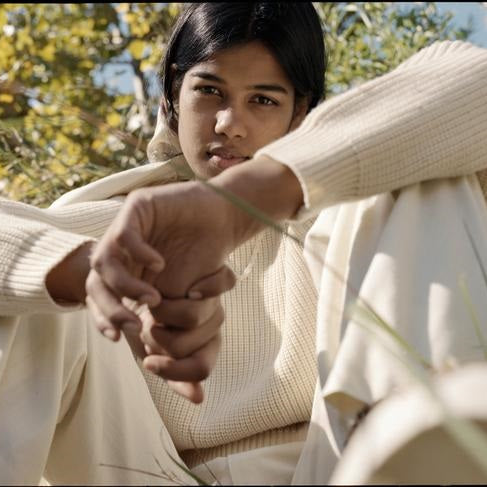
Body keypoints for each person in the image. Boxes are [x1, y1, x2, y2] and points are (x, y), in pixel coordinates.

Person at [1, 3, 487, 486]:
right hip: (142, 471)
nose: (230, 123)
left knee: (423, 176)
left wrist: (234, 208)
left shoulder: (344, 219)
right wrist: (92, 272)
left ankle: (433, 437)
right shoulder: (114, 217)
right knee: (36, 284)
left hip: (336, 466)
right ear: (173, 91)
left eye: (264, 100)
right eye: (210, 91)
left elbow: (474, 78)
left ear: (300, 112)